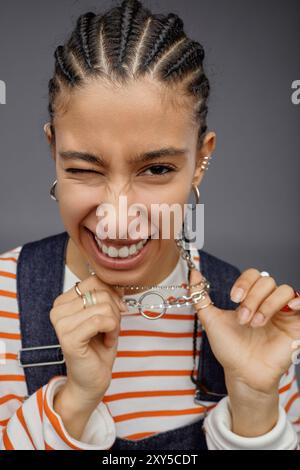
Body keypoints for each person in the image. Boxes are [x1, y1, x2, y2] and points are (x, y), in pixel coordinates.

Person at [1, 0, 300, 450]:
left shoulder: (251, 319)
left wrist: (255, 402)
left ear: (201, 159)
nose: (118, 217)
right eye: (84, 169)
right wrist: (76, 402)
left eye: (156, 169)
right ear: (53, 150)